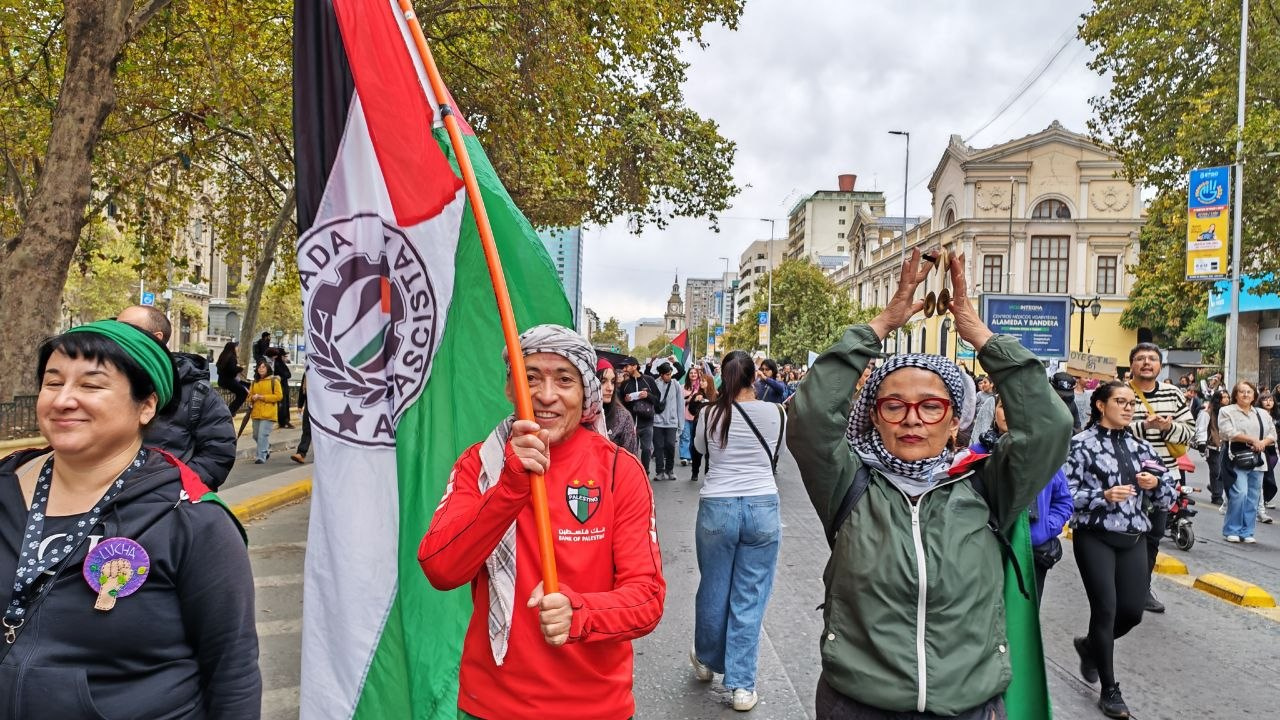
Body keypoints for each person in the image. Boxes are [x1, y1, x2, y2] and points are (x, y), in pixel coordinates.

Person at [787, 249, 1073, 719]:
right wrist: (881, 323)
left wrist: (978, 334)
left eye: (931, 406)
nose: (912, 420)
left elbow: (1048, 427)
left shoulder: (986, 486)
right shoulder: (849, 483)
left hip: (969, 705)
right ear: (874, 417)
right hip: (859, 705)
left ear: (954, 417)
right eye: (894, 405)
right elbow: (812, 418)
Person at [0, 320, 260, 718]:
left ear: (146, 406)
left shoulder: (191, 518)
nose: (63, 400)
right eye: (53, 383)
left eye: (91, 385)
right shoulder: (5, 487)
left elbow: (233, 672)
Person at [418, 325, 665, 720]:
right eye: (530, 377)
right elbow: (440, 568)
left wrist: (580, 613)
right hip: (490, 707)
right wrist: (509, 485)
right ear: (510, 389)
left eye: (564, 380)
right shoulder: (479, 464)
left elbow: (647, 599)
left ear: (585, 392)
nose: (546, 395)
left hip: (595, 708)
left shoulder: (620, 470)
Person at [1066, 381, 1177, 719]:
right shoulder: (1080, 445)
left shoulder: (1142, 447)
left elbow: (1170, 496)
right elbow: (1064, 493)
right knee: (1107, 610)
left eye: (1132, 403)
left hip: (1133, 536)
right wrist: (1103, 496)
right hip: (1095, 536)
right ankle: (1110, 689)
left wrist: (1156, 484)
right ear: (1100, 405)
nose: (1129, 408)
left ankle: (1090, 646)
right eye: (1121, 401)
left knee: (1132, 612)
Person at [690, 350, 786, 712]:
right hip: (763, 504)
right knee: (750, 594)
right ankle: (742, 686)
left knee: (713, 587)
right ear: (754, 378)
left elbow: (700, 449)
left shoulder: (710, 413)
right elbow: (776, 453)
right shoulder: (776, 413)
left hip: (718, 505)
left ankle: (705, 659)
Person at [116, 305, 237, 489]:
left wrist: (174, 490)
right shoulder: (104, 381)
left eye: (126, 329)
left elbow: (218, 453)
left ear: (156, 339)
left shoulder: (197, 392)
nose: (115, 336)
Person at [970, 393, 1072, 603]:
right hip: (983, 556)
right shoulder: (975, 455)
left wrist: (1044, 528)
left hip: (1030, 555)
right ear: (994, 412)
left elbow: (1063, 502)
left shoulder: (1044, 457)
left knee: (1021, 624)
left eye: (1018, 407)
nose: (1009, 413)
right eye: (1002, 406)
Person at [1125, 342, 1193, 614]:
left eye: (1152, 359)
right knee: (1126, 533)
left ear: (1159, 365)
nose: (1146, 363)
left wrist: (1168, 427)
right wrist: (1143, 426)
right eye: (1140, 358)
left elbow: (1188, 432)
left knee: (1153, 535)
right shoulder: (1120, 393)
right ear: (1131, 365)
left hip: (1163, 479)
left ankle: (1142, 588)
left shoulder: (1173, 395)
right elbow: (1105, 427)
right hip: (1127, 476)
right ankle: (1123, 584)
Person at [1219, 381, 1277, 544]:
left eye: (1249, 392)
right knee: (1240, 494)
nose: (1245, 395)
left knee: (1253, 496)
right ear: (1235, 395)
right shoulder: (1227, 411)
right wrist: (1252, 439)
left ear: (1254, 395)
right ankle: (1232, 529)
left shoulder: (1262, 414)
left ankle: (1247, 531)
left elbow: (1273, 434)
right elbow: (1227, 432)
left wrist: (1262, 443)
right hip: (1236, 457)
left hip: (1258, 458)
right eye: (1242, 392)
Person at [617, 356, 660, 475]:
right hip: (631, 423)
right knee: (631, 450)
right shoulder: (625, 384)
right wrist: (626, 400)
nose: (624, 369)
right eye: (624, 367)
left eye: (627, 366)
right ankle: (633, 473)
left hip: (646, 421)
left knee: (646, 449)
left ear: (635, 366)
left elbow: (657, 399)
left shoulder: (649, 380)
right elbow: (620, 403)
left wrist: (648, 395)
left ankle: (645, 472)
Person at [650, 360, 686, 481]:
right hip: (657, 421)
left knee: (670, 445)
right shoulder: (655, 383)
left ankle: (669, 470)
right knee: (658, 447)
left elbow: (680, 404)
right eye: (667, 374)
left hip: (672, 422)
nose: (669, 377)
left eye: (670, 374)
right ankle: (660, 471)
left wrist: (681, 424)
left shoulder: (675, 384)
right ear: (661, 374)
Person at [1196, 389, 1232, 505]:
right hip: (1212, 447)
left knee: (1223, 471)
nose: (1226, 399)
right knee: (1216, 470)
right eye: (1224, 397)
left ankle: (1214, 487)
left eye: (1228, 397)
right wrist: (1201, 443)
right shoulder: (1208, 412)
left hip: (1226, 446)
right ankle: (1217, 495)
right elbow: (1201, 428)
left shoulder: (1229, 412)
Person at [596, 359, 639, 455]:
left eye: (612, 382)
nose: (610, 388)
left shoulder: (623, 417)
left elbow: (631, 459)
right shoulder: (577, 416)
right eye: (603, 381)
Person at [247, 360, 282, 464]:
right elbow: (249, 397)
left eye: (263, 367)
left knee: (262, 435)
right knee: (256, 435)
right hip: (256, 413)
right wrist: (252, 398)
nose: (261, 369)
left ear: (268, 369)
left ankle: (261, 457)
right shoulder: (254, 382)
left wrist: (262, 397)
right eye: (259, 367)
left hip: (269, 413)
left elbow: (279, 396)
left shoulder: (274, 381)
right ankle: (266, 447)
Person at [687, 372, 717, 482]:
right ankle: (695, 472)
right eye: (701, 381)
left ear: (709, 382)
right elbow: (691, 410)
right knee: (696, 449)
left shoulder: (716, 396)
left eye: (704, 381)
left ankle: (708, 473)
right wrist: (695, 401)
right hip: (698, 425)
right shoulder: (697, 395)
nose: (701, 382)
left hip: (711, 427)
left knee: (710, 451)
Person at [679, 365, 706, 466]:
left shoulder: (702, 387)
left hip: (697, 417)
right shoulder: (682, 387)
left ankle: (691, 456)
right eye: (691, 373)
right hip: (685, 415)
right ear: (688, 375)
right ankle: (684, 457)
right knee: (685, 436)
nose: (693, 375)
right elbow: (679, 402)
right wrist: (687, 400)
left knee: (693, 437)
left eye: (695, 373)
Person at [215, 340, 249, 415]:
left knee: (245, 385)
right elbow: (232, 371)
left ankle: (230, 410)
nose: (237, 348)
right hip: (229, 381)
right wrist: (240, 368)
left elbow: (224, 369)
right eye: (236, 347)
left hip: (222, 380)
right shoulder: (232, 357)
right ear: (232, 348)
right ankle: (231, 411)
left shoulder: (223, 355)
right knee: (243, 393)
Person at [291, 373, 313, 464]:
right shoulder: (308, 371)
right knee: (307, 429)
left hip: (326, 406)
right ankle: (301, 453)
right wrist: (300, 405)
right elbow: (303, 388)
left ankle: (326, 455)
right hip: (310, 404)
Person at [273, 349, 295, 429]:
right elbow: (287, 374)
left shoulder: (282, 364)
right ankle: (283, 421)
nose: (285, 358)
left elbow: (288, 374)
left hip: (284, 386)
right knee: (282, 405)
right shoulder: (277, 364)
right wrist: (282, 376)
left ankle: (285, 421)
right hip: (280, 386)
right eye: (284, 356)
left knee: (285, 404)